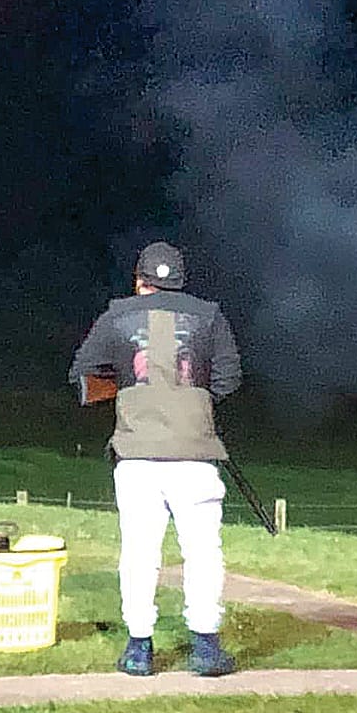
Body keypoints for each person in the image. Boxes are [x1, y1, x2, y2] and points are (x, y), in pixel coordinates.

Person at [69, 241, 244, 677]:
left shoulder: (116, 315)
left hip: (136, 454)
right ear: (181, 279)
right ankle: (205, 648)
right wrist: (189, 404)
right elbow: (229, 379)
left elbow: (83, 375)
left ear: (139, 280)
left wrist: (130, 391)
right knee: (202, 551)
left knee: (139, 551)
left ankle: (139, 648)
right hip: (195, 453)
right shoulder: (210, 316)